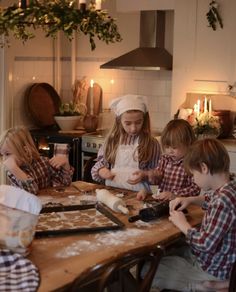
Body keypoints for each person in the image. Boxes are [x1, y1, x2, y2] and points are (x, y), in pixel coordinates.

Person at [151, 138, 236, 291]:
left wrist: (183, 224)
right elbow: (212, 199)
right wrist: (191, 199)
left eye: (193, 174)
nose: (193, 179)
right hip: (224, 264)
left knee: (149, 269)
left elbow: (205, 244)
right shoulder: (231, 188)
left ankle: (201, 287)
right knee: (169, 253)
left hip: (212, 270)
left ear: (203, 168)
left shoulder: (222, 202)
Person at [91, 94, 161, 192]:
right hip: (112, 193)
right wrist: (102, 171)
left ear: (144, 120)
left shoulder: (151, 144)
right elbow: (98, 165)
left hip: (139, 196)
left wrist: (145, 175)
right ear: (119, 121)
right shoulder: (111, 141)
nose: (133, 128)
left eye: (138, 122)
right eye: (128, 123)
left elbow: (158, 175)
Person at [136, 119, 200, 200]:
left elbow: (195, 189)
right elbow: (157, 185)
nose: (170, 151)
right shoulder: (165, 159)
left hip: (181, 205)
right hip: (162, 203)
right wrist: (148, 190)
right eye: (167, 147)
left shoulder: (192, 164)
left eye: (174, 147)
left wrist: (174, 195)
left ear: (189, 143)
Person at [0, 126, 74, 195]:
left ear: (25, 151)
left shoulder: (44, 162)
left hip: (49, 204)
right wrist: (15, 169)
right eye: (2, 155)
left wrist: (66, 165)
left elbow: (65, 183)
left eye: (7, 154)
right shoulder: (13, 171)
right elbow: (31, 192)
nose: (4, 159)